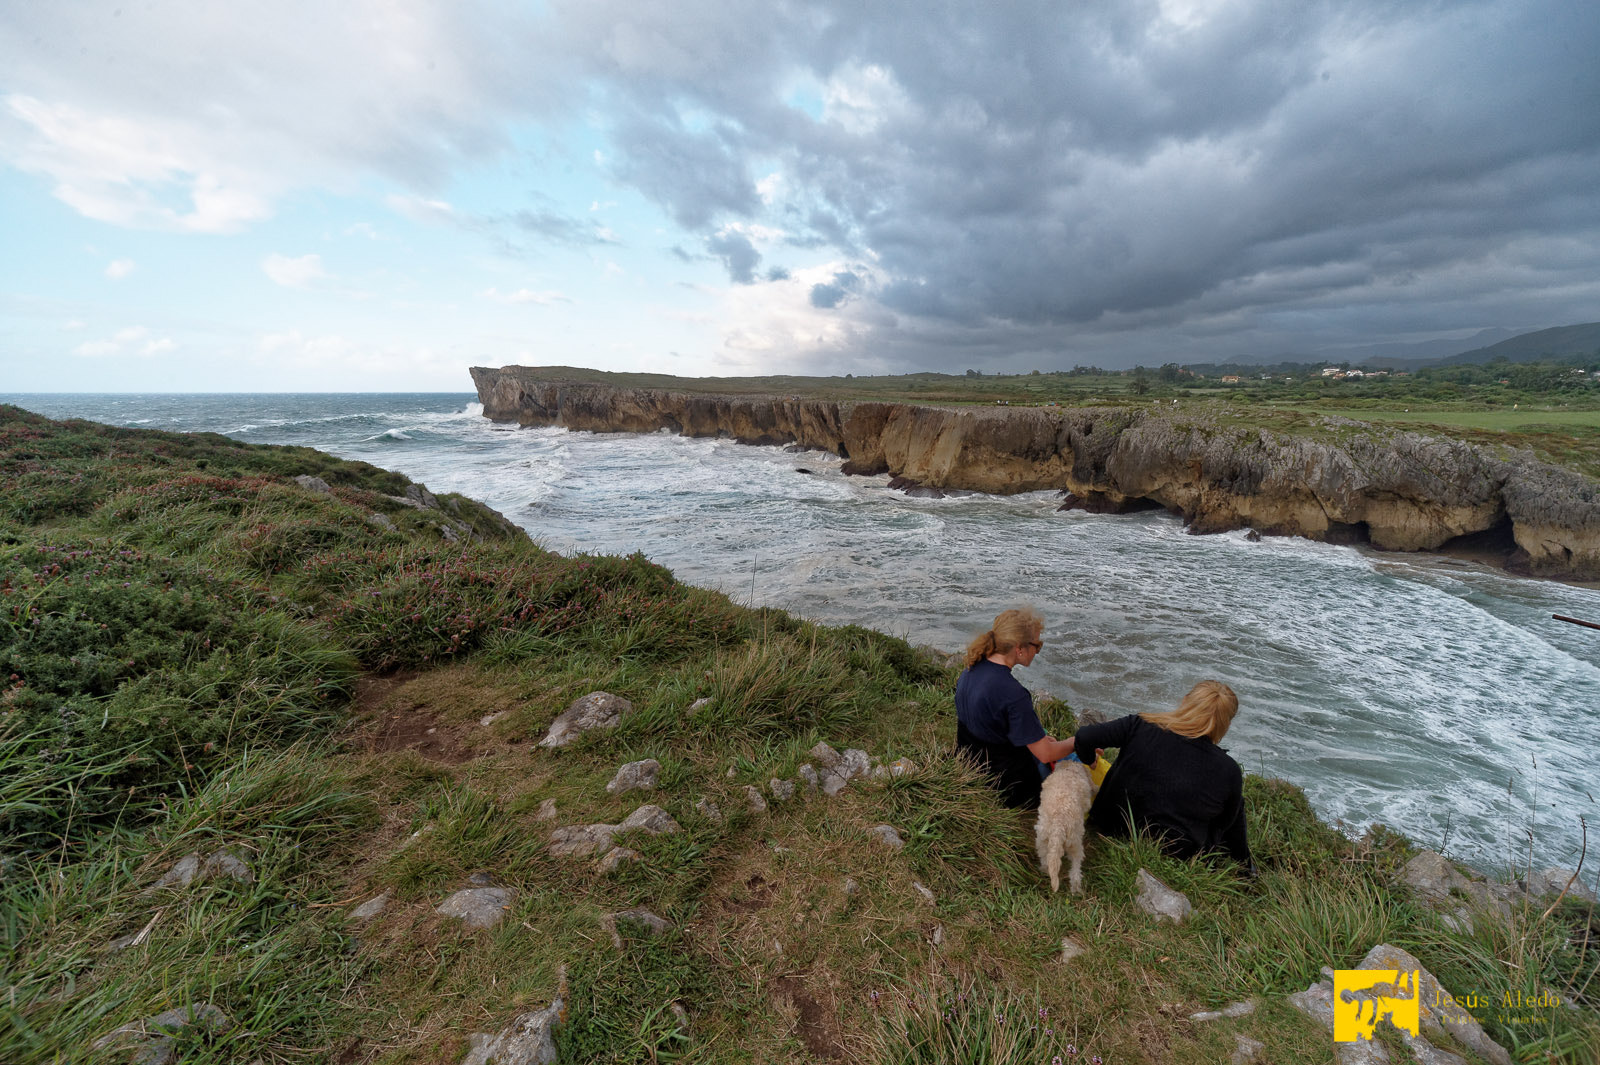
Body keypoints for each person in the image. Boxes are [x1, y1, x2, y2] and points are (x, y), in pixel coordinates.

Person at [1067, 680, 1252, 869]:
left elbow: (1084, 737)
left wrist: (1090, 759)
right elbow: (1224, 824)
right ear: (1226, 724)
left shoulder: (1139, 725)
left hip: (1111, 828)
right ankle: (1245, 865)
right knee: (1236, 804)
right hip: (1180, 856)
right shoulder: (1229, 770)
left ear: (1185, 701)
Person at [954, 607, 1075, 809]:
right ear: (1019, 648)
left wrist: (1040, 737)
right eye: (1037, 645)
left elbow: (993, 724)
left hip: (970, 764)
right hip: (1005, 785)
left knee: (1048, 740)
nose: (1038, 650)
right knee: (1075, 759)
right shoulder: (1014, 694)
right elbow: (1045, 754)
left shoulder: (972, 668)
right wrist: (1076, 741)